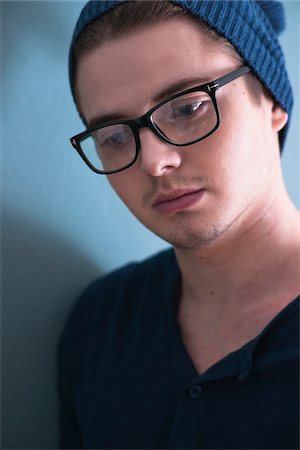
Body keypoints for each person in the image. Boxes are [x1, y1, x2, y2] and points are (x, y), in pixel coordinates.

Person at [58, 1, 300, 448]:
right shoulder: (99, 325)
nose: (154, 162)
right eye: (114, 137)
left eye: (187, 108)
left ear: (270, 100)